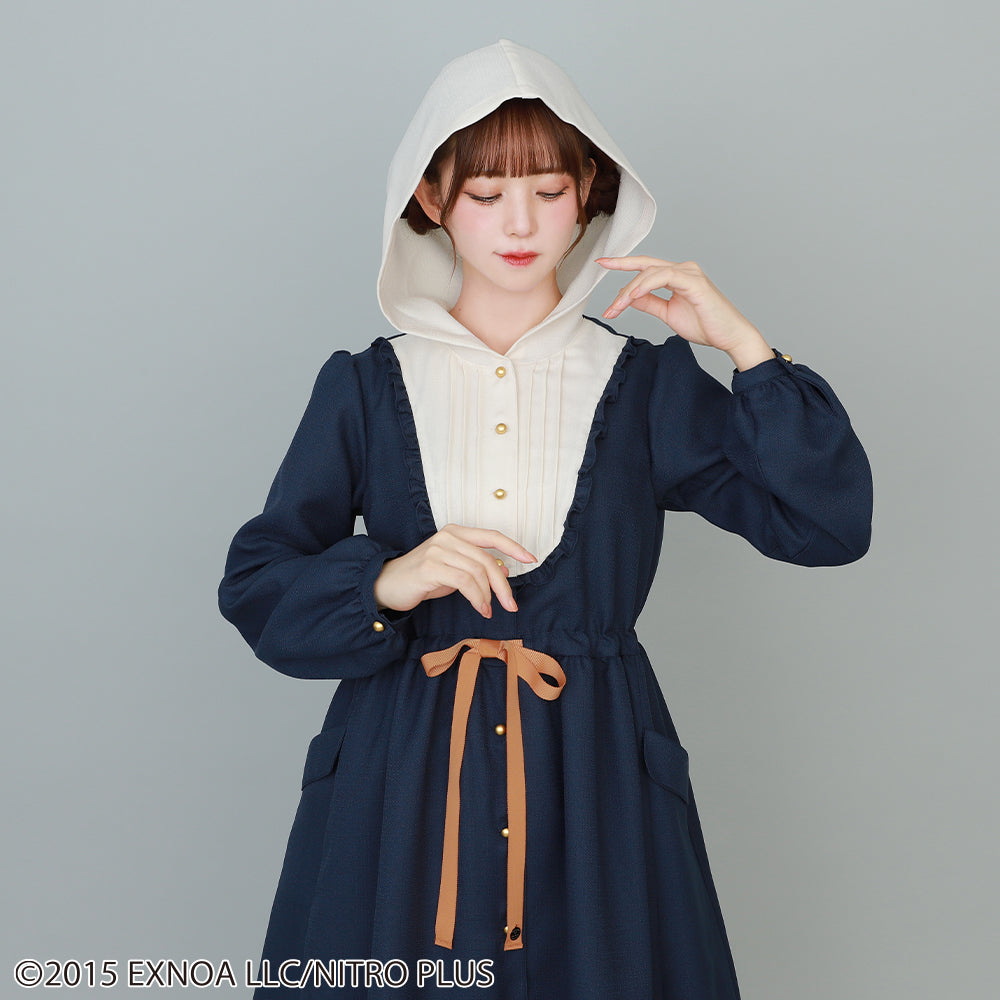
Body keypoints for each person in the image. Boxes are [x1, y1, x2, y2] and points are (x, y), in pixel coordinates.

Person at [218, 38, 873, 999]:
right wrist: (389, 580)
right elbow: (258, 583)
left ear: (589, 194)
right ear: (432, 199)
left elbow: (827, 524)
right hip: (400, 785)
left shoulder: (645, 384)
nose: (520, 223)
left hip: (596, 780)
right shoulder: (364, 386)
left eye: (549, 190)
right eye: (486, 194)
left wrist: (744, 348)